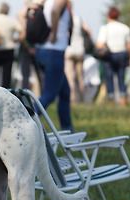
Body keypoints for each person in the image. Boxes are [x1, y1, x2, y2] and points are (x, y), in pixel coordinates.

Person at [35, 0, 73, 132]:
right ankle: (23, 119)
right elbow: (55, 11)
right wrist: (54, 34)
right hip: (54, 52)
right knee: (49, 94)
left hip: (43, 51)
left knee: (64, 92)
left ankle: (67, 129)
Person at [96, 6, 130, 106]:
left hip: (110, 55)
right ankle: (123, 100)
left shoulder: (105, 28)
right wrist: (129, 58)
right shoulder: (125, 28)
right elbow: (129, 46)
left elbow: (99, 44)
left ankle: (111, 100)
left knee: (109, 78)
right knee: (121, 78)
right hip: (122, 54)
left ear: (108, 16)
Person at [64, 0, 91, 103]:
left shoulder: (64, 18)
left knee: (70, 78)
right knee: (80, 77)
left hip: (69, 51)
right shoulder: (78, 18)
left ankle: (72, 100)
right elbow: (88, 31)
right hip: (80, 50)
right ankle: (83, 99)